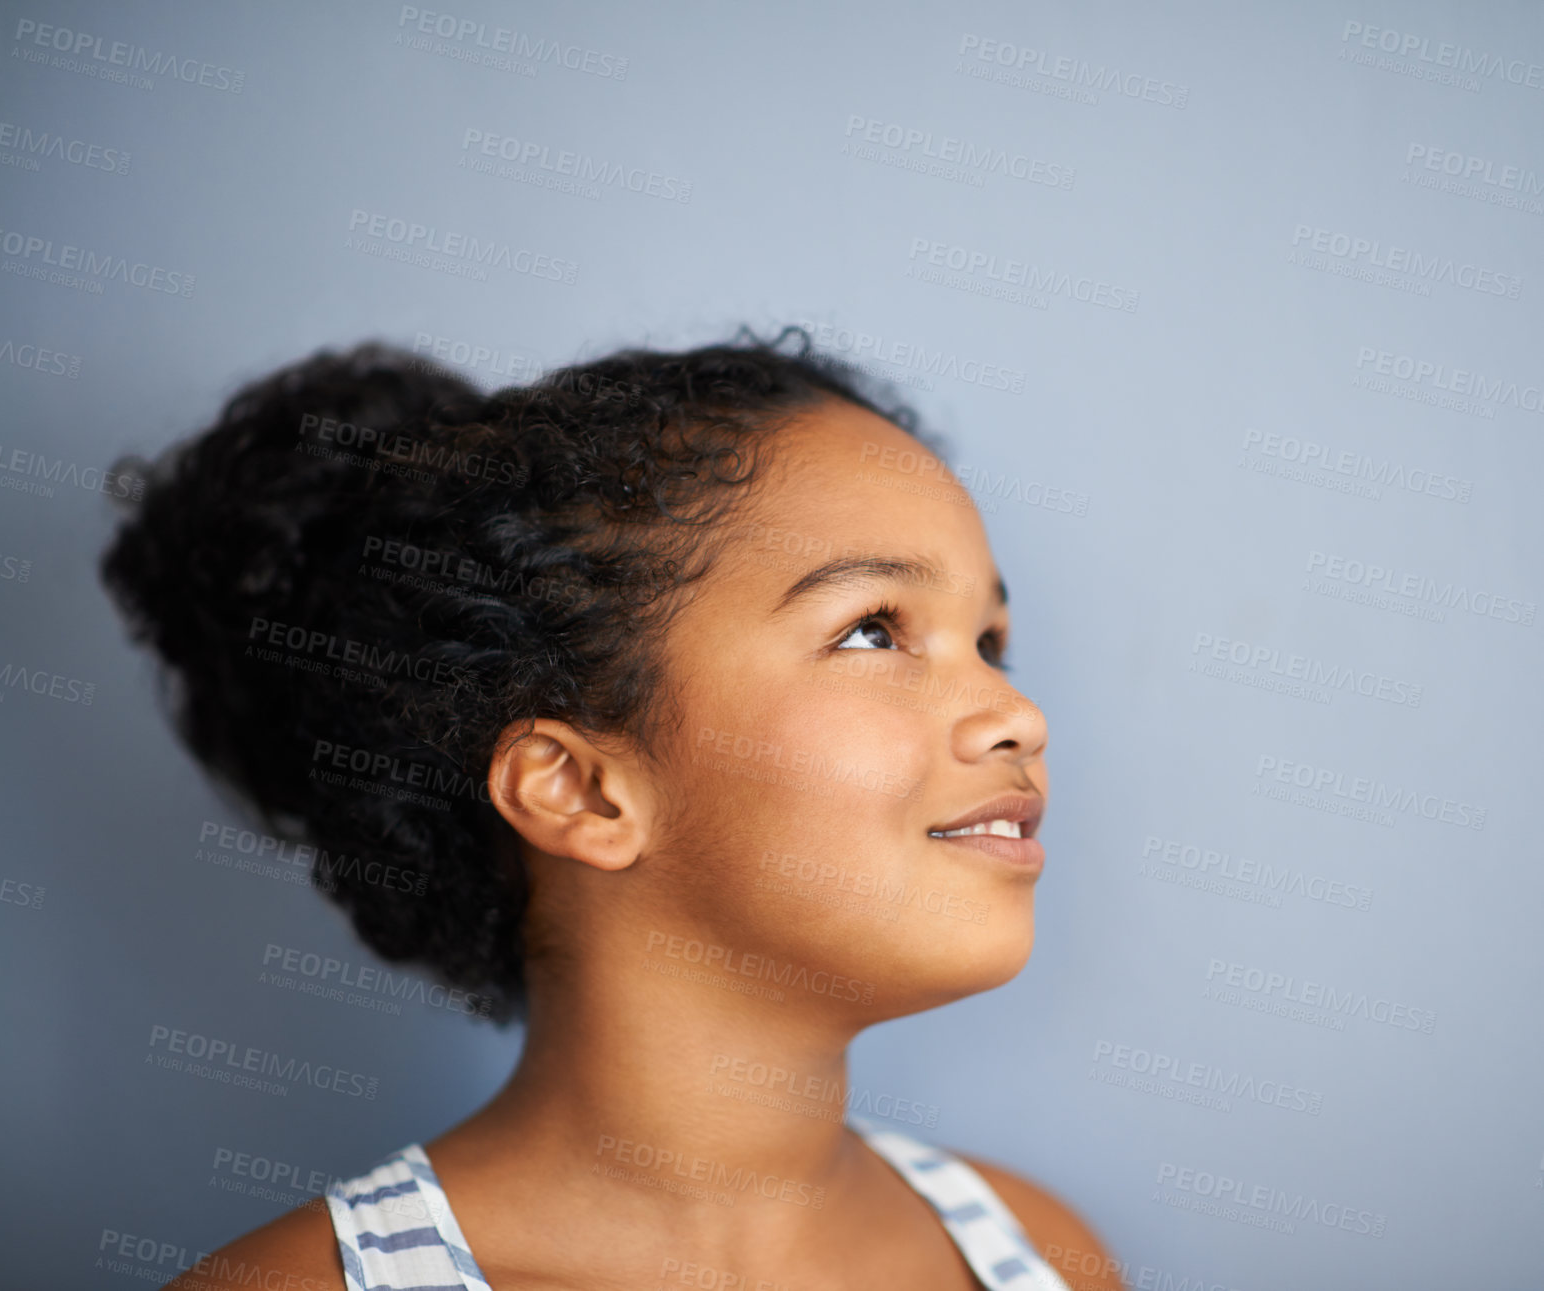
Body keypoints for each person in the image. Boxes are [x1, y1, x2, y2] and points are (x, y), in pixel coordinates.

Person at [103, 326, 1120, 1290]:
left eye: (988, 642)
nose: (1016, 715)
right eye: (871, 631)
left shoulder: (1035, 1248)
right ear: (579, 789)